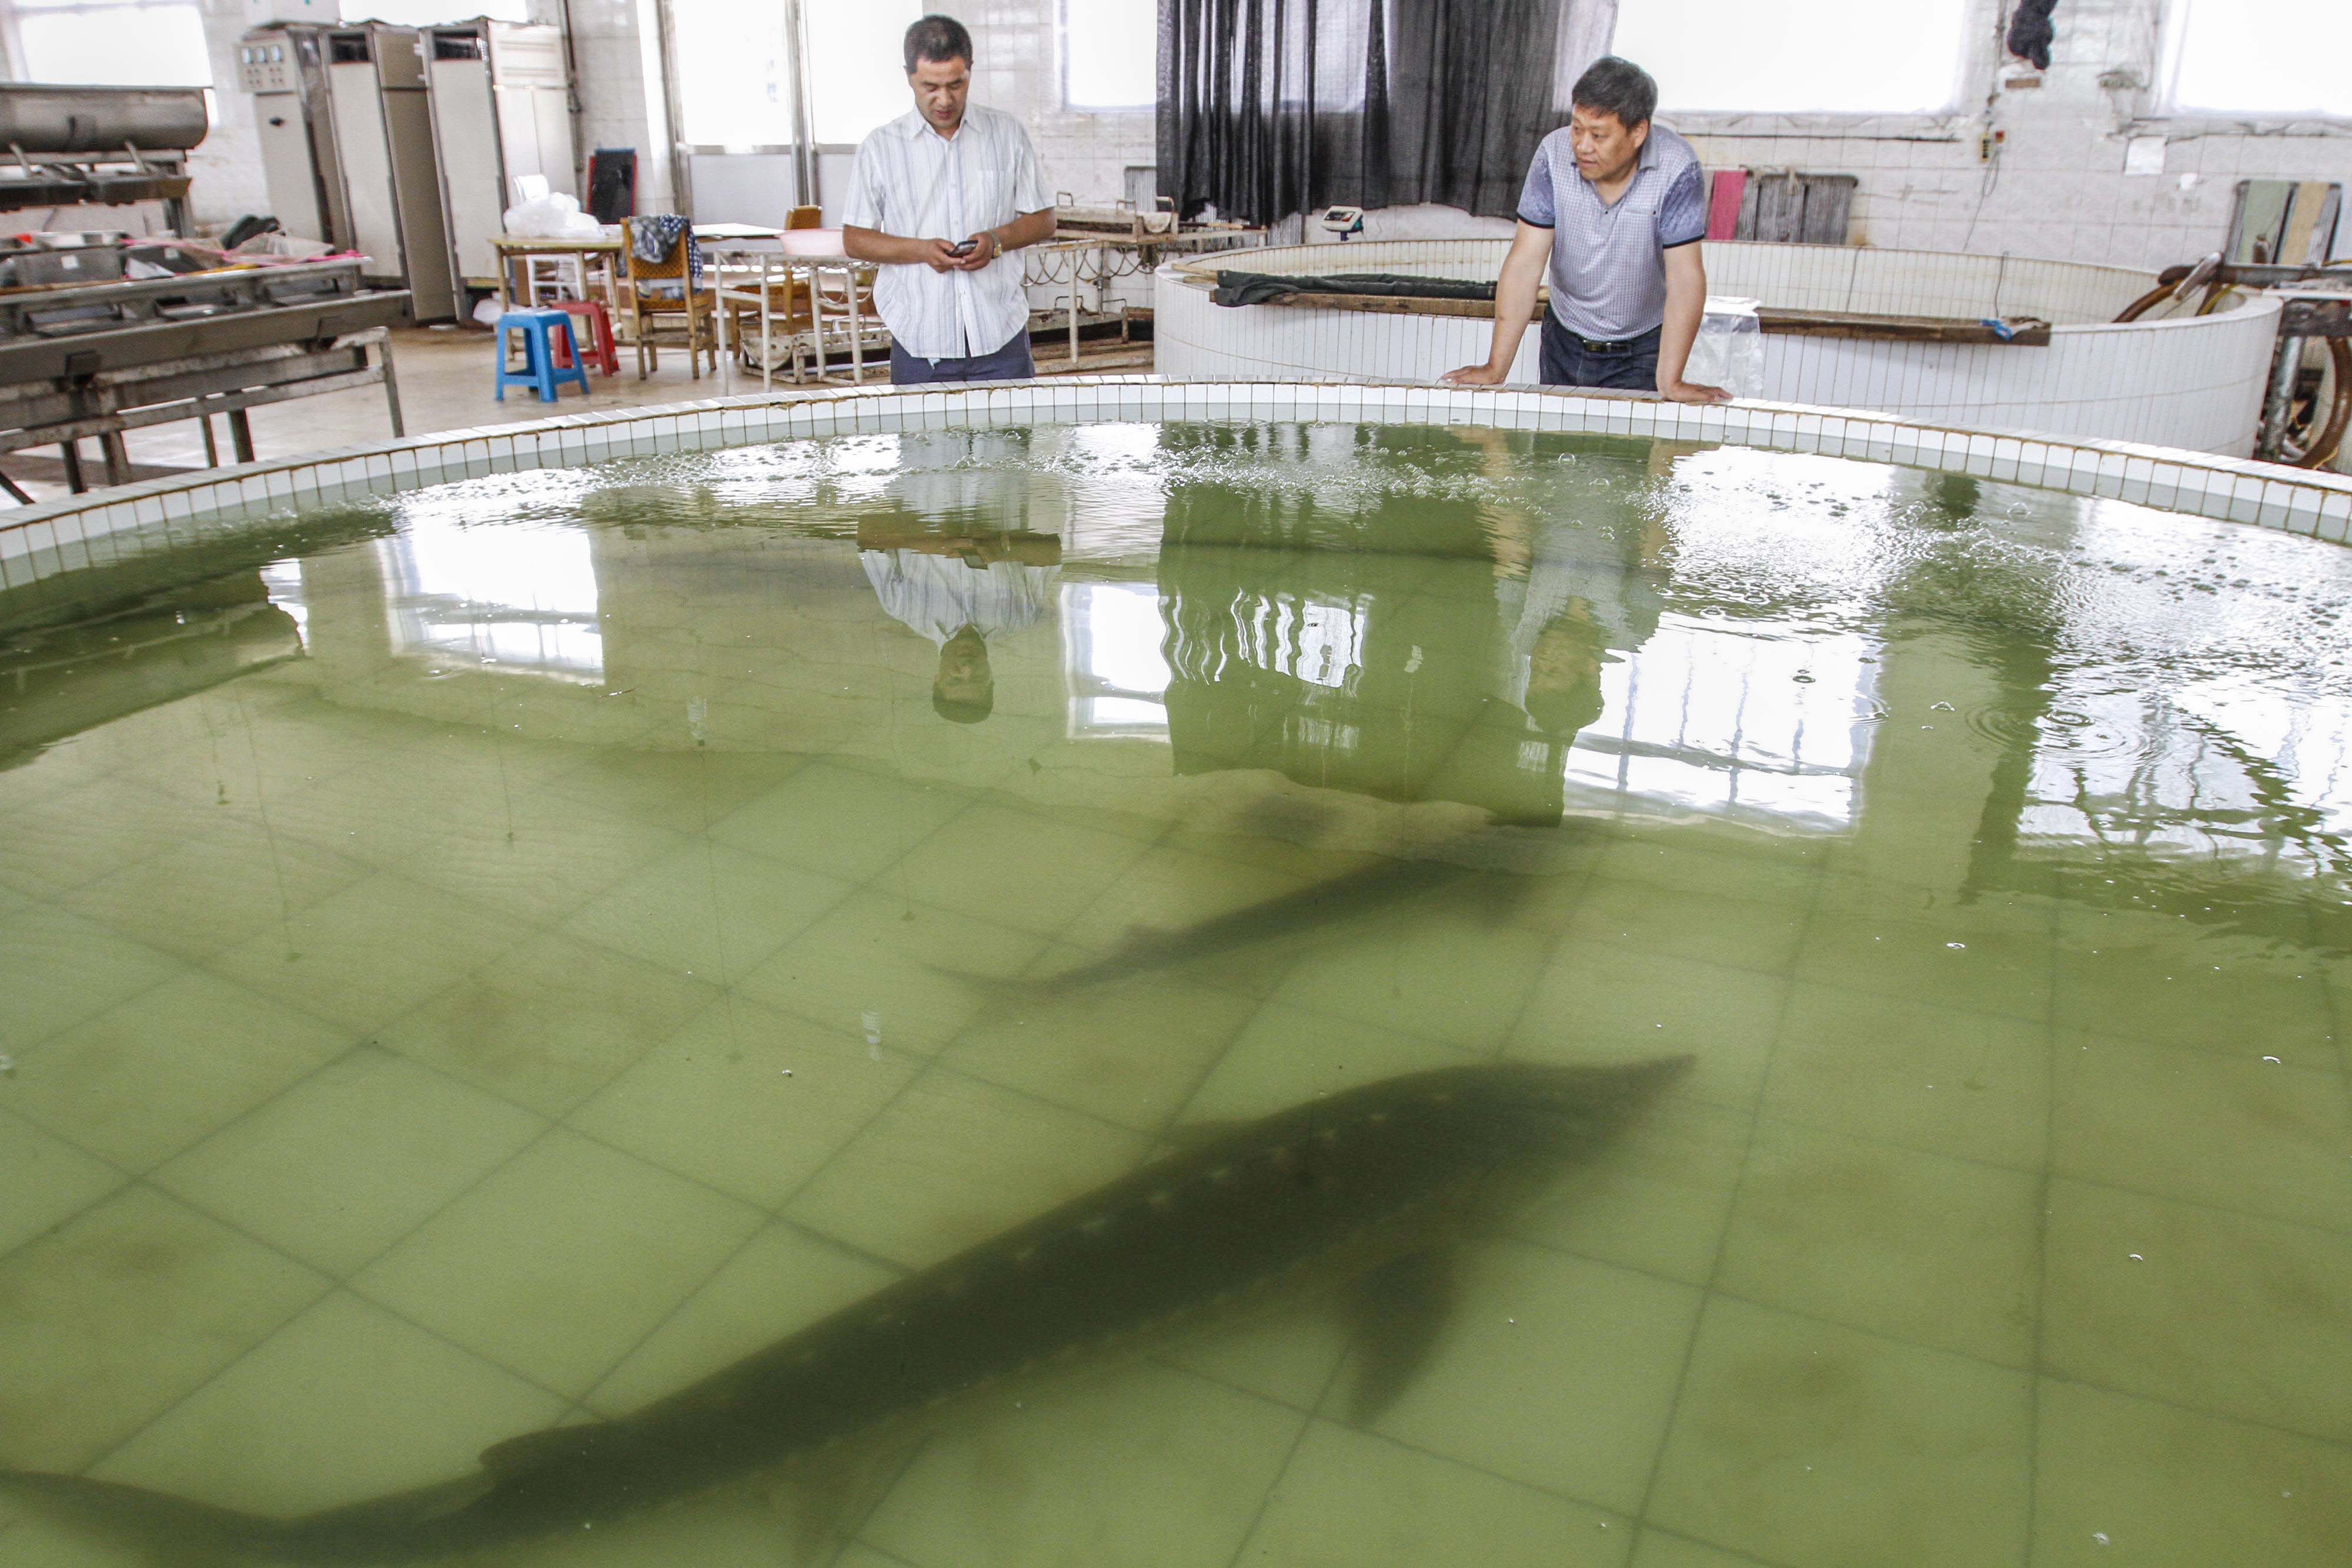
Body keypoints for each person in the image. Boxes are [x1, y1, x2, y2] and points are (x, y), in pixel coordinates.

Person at [1444, 56, 1728, 403]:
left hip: (1640, 349)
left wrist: (1671, 382)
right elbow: (1525, 262)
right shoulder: (1552, 154)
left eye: (1598, 135)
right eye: (1577, 128)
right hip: (1563, 340)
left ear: (1638, 132)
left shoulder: (1677, 167)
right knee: (1555, 454)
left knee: (1627, 455)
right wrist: (1495, 368)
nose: (1582, 145)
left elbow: (1685, 276)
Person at [841, 15, 1057, 385]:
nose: (945, 99)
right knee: (927, 445)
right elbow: (855, 238)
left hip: (1001, 339)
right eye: (930, 86)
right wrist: (921, 250)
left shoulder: (1006, 134)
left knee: (1011, 443)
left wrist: (995, 242)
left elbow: (1044, 220)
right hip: (920, 344)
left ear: (970, 72)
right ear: (909, 76)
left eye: (956, 84)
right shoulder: (880, 148)